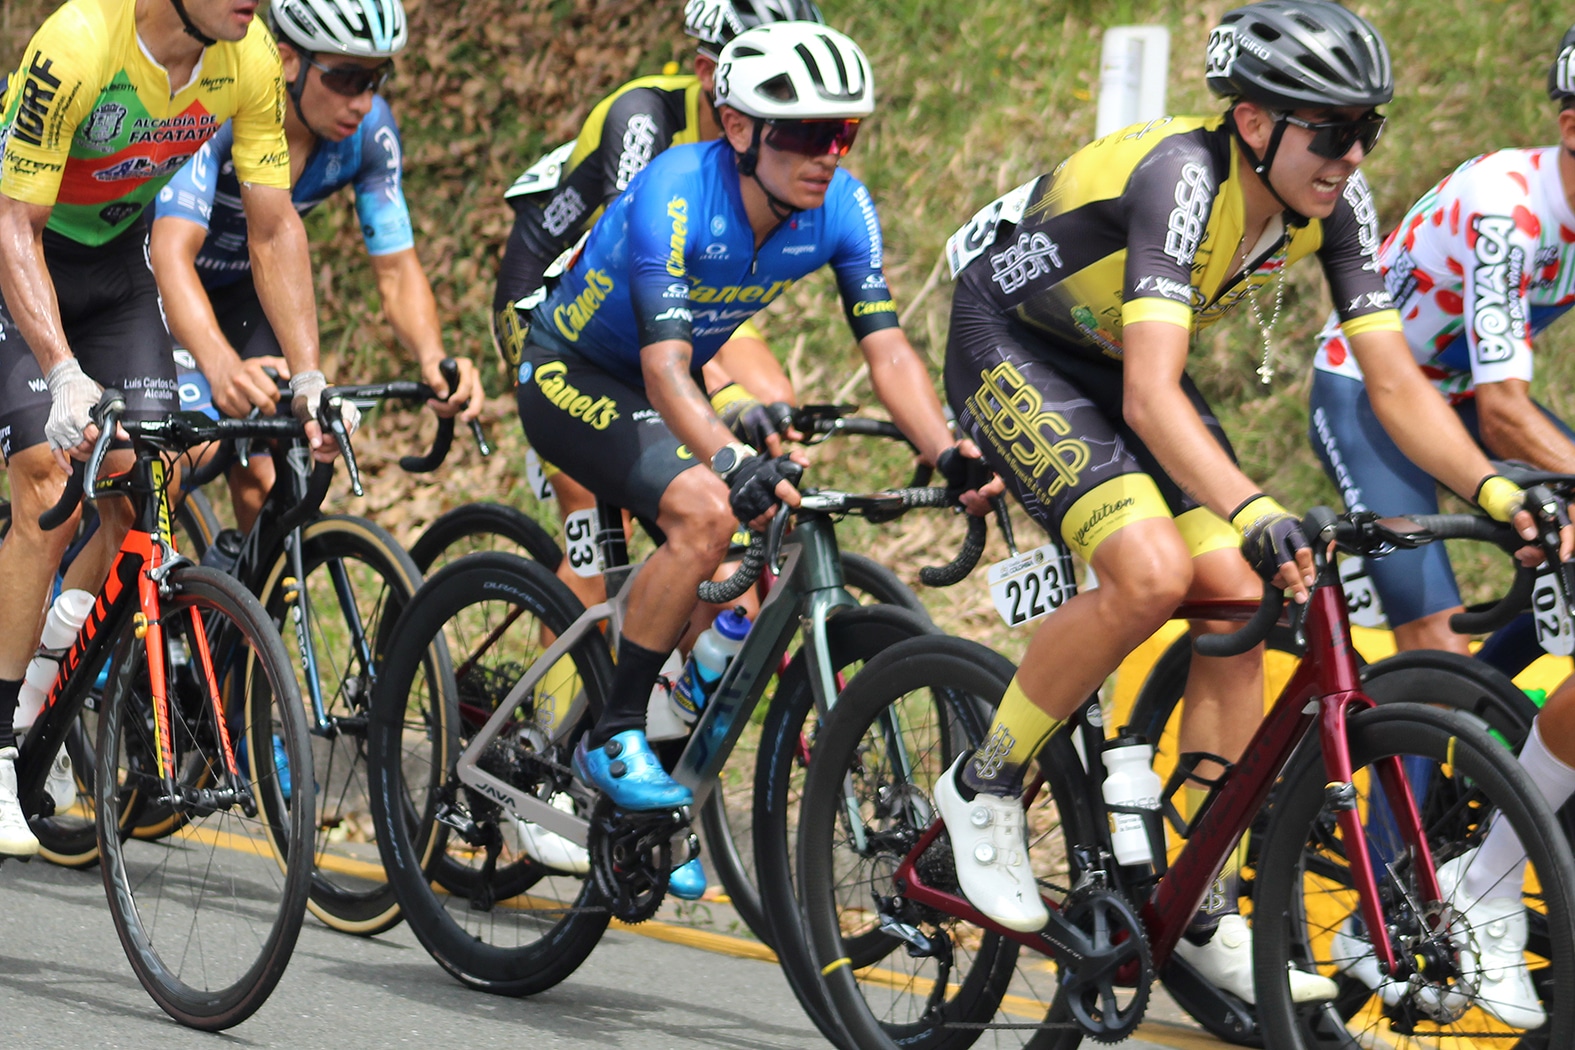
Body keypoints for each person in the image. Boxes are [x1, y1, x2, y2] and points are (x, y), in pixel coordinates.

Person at [935, 0, 1548, 1012]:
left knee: (1237, 594)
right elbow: (1149, 396)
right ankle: (983, 782)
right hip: (1014, 342)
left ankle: (1205, 898)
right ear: (1255, 122)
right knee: (1150, 572)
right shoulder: (1184, 178)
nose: (1353, 155)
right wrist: (1255, 504)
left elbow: (1393, 381)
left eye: (1368, 128)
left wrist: (1492, 485)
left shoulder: (1335, 203)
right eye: (1332, 131)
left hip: (1114, 360)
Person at [514, 21, 995, 900]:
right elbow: (664, 369)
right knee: (707, 508)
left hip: (667, 380)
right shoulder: (675, 190)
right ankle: (613, 736)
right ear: (738, 128)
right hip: (571, 371)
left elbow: (886, 349)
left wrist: (947, 452)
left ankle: (656, 769)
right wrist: (733, 459)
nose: (828, 155)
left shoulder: (842, 208)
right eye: (807, 133)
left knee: (749, 543)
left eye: (843, 132)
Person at [0, 0, 344, 855]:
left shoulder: (249, 54)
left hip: (117, 269)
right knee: (48, 476)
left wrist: (308, 376)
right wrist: (63, 373)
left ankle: (46, 676)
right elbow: (14, 223)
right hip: (18, 252)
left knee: (146, 479)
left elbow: (273, 225)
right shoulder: (80, 43)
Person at [1307, 24, 1575, 1027]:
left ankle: (1486, 728)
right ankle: (1381, 903)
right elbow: (1506, 414)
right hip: (1371, 395)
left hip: (1459, 396)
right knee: (1431, 639)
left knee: (1530, 615)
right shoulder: (1511, 207)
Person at [493, 0, 819, 612]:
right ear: (708, 74)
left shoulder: (778, 150)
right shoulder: (643, 118)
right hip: (556, 298)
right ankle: (563, 671)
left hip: (678, 303)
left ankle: (701, 627)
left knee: (771, 406)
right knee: (596, 514)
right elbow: (639, 281)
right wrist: (719, 395)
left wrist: (746, 406)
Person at [149, 0, 482, 532]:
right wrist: (220, 364)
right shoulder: (221, 110)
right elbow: (170, 254)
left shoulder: (368, 134)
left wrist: (431, 358)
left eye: (376, 79)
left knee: (270, 475)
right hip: (156, 285)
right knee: (170, 464)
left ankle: (251, 588)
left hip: (242, 289)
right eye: (346, 78)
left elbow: (396, 269)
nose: (363, 101)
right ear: (287, 61)